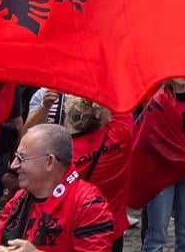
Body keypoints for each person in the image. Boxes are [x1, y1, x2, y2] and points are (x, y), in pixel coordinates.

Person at [0, 123, 114, 252]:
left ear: (49, 162)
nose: (13, 165)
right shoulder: (18, 199)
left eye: (21, 158)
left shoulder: (89, 204)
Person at [133, 78, 185, 252]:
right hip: (163, 173)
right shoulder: (159, 101)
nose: (182, 74)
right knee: (157, 233)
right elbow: (151, 139)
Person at [62, 97, 134, 252]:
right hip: (111, 229)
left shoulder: (65, 154)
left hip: (73, 231)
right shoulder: (121, 134)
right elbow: (123, 100)